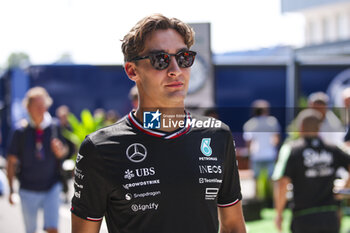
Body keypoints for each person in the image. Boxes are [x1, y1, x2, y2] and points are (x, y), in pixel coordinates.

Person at [71, 14, 246, 233]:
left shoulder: (217, 135)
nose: (176, 69)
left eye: (184, 58)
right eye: (160, 59)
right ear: (132, 71)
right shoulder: (99, 149)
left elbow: (233, 227)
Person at [273, 109, 350, 233]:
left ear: (301, 126)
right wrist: (346, 185)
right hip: (330, 217)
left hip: (303, 217)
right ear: (319, 127)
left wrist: (279, 214)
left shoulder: (291, 149)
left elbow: (282, 183)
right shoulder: (332, 148)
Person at [6, 87, 69, 233]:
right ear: (28, 108)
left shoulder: (55, 126)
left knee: (53, 228)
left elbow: (66, 152)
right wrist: (11, 190)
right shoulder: (20, 131)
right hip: (28, 189)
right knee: (31, 230)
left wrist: (61, 151)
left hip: (51, 187)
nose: (42, 109)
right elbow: (11, 161)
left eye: (44, 106)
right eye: (37, 106)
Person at [243, 100, 280, 179]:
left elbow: (249, 141)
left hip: (256, 155)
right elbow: (276, 139)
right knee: (272, 179)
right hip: (270, 154)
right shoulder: (272, 122)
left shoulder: (249, 124)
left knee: (256, 179)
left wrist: (249, 154)